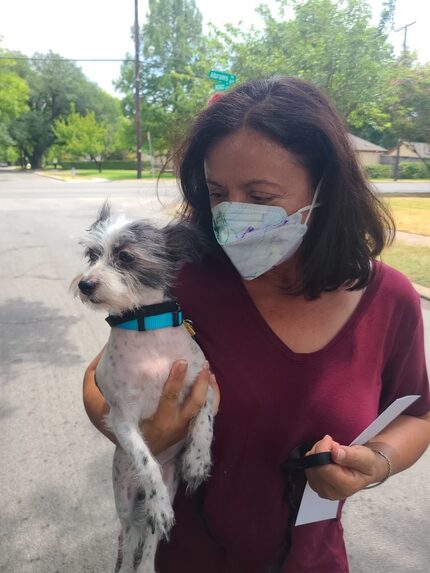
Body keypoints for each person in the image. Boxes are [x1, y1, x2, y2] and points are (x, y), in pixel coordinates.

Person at [83, 76, 430, 573]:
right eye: (218, 192)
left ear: (326, 188)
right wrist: (140, 434)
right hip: (173, 557)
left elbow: (417, 415)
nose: (229, 215)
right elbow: (101, 381)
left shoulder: (388, 299)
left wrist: (376, 461)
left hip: (308, 561)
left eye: (261, 196)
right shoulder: (180, 278)